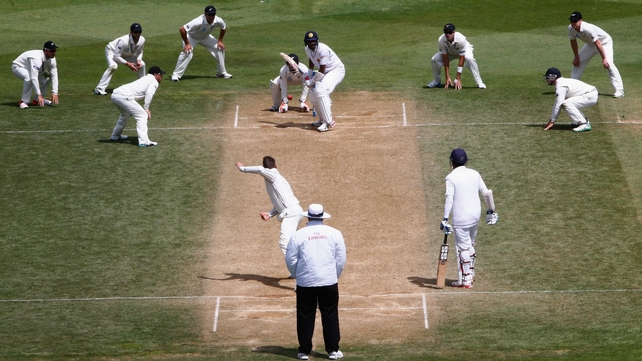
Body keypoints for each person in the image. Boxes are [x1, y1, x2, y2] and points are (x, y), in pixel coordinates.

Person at [285, 204, 346, 361]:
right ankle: (333, 350)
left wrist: (299, 275)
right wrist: (334, 275)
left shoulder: (298, 235)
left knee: (305, 316)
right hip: (329, 281)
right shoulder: (335, 234)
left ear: (308, 217)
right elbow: (340, 260)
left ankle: (304, 351)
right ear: (322, 217)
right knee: (330, 315)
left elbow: (291, 260)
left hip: (306, 283)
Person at [440, 148, 497, 289]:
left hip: (461, 217)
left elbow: (449, 199)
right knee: (470, 245)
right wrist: (491, 211)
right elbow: (486, 193)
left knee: (463, 248)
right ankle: (469, 274)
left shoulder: (451, 177)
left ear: (452, 162)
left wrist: (445, 219)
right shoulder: (475, 174)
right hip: (475, 215)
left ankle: (466, 280)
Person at [235, 156, 303, 255]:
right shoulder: (279, 180)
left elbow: (259, 169)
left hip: (291, 214)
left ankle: (298, 270)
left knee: (285, 243)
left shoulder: (272, 174)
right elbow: (282, 204)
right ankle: (303, 267)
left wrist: (242, 168)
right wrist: (270, 214)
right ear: (276, 165)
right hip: (294, 211)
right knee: (294, 243)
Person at [568, 11, 624, 98]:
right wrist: (576, 57)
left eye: (575, 21)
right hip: (591, 45)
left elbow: (598, 43)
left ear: (581, 21)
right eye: (571, 21)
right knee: (577, 63)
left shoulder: (587, 28)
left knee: (608, 64)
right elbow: (573, 42)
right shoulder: (571, 29)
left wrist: (604, 58)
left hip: (604, 43)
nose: (573, 23)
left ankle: (619, 90)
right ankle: (572, 89)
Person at [170, 5, 232, 81]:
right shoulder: (198, 21)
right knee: (187, 52)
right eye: (209, 15)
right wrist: (187, 44)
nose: (211, 17)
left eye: (213, 15)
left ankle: (221, 73)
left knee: (220, 48)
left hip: (205, 37)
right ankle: (176, 75)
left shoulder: (218, 20)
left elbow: (223, 27)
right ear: (205, 14)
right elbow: (182, 29)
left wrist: (220, 41)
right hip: (191, 37)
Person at [109, 66, 166, 147]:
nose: (161, 77)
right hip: (123, 96)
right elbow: (149, 93)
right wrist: (146, 109)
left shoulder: (145, 78)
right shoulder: (153, 81)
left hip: (115, 95)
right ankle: (143, 141)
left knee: (125, 114)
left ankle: (115, 136)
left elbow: (135, 93)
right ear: (156, 75)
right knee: (142, 115)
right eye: (161, 75)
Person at [303, 31, 345, 132]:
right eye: (309, 41)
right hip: (325, 72)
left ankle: (329, 122)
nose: (312, 43)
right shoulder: (307, 49)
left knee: (322, 91)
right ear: (306, 43)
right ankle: (322, 120)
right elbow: (311, 59)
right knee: (313, 94)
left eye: (313, 41)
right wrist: (309, 73)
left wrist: (312, 81)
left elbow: (321, 70)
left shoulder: (323, 50)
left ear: (317, 41)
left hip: (336, 70)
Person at [425, 23, 486, 90]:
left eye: (450, 32)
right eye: (446, 32)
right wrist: (447, 77)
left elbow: (461, 58)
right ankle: (437, 81)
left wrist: (458, 78)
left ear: (454, 32)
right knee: (435, 59)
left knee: (470, 59)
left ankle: (479, 82)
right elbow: (445, 59)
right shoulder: (441, 40)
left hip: (464, 50)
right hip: (450, 52)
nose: (448, 34)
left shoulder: (461, 39)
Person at [94, 23, 146, 96]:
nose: (137, 34)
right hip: (112, 50)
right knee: (113, 66)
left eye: (139, 32)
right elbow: (116, 56)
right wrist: (128, 64)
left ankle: (143, 87)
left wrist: (138, 60)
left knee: (142, 64)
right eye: (135, 32)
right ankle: (99, 89)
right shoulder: (123, 41)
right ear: (131, 32)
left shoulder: (142, 40)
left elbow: (140, 51)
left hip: (126, 53)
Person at [543, 67, 597, 132]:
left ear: (553, 77)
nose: (546, 79)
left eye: (547, 77)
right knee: (567, 102)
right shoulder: (561, 82)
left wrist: (552, 121)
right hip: (589, 93)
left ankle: (584, 124)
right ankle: (583, 120)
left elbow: (558, 104)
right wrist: (551, 119)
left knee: (566, 103)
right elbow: (557, 102)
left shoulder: (560, 87)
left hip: (590, 95)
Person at [11, 41, 60, 109]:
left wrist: (55, 92)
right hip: (19, 66)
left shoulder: (52, 59)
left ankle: (37, 100)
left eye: (55, 50)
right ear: (45, 50)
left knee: (47, 78)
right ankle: (23, 101)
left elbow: (54, 75)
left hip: (34, 68)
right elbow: (34, 77)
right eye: (52, 51)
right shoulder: (36, 59)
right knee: (29, 78)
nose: (54, 53)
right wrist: (39, 94)